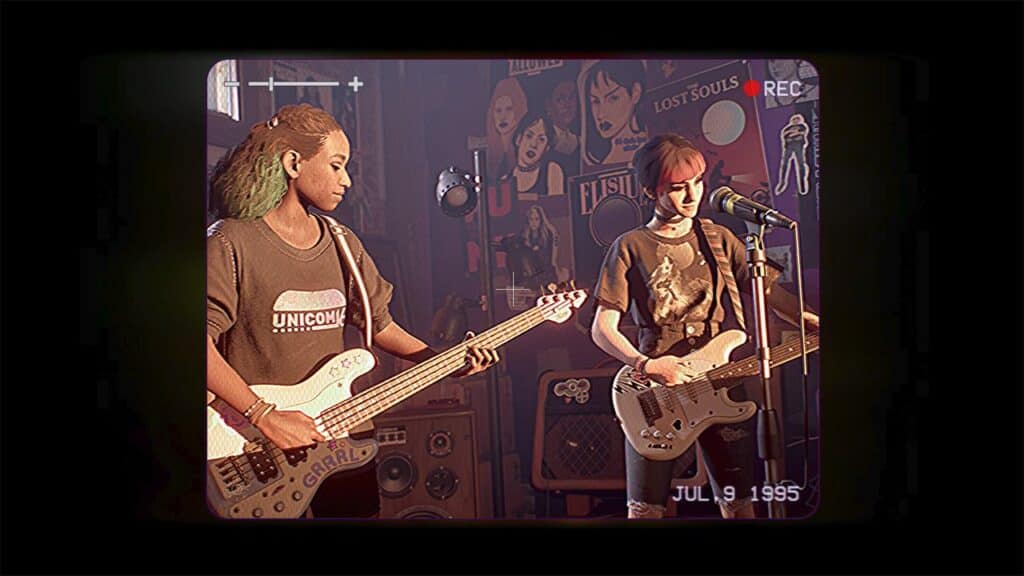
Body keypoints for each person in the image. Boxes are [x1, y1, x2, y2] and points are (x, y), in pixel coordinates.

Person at [206, 103, 500, 518]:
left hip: (342, 439)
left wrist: (444, 363)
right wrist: (266, 416)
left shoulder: (343, 242)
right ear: (293, 163)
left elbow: (380, 326)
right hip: (254, 447)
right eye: (336, 166)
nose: (346, 181)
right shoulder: (230, 242)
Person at [589, 134, 819, 519]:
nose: (692, 195)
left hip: (723, 382)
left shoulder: (720, 238)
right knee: (645, 511)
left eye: (698, 183)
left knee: (739, 504)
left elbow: (770, 296)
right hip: (656, 393)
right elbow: (602, 329)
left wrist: (807, 317)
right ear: (651, 191)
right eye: (678, 188)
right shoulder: (629, 246)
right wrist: (647, 365)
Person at [582, 60, 648, 167]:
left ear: (636, 92)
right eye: (595, 101)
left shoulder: (657, 149)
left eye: (613, 98)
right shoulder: (596, 164)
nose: (601, 114)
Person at [502, 111, 565, 200]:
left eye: (541, 139)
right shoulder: (505, 181)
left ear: (547, 148)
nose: (534, 144)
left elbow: (556, 209)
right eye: (529, 136)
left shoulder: (552, 170)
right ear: (518, 139)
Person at [486, 77, 528, 179]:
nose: (503, 117)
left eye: (509, 109)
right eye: (498, 111)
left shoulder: (526, 151)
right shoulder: (489, 152)